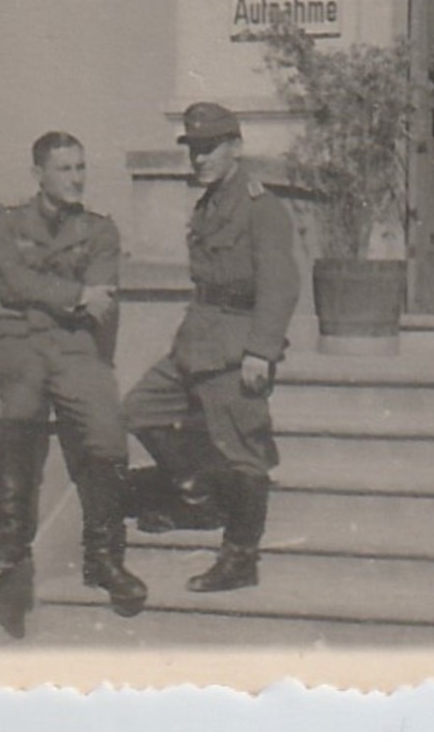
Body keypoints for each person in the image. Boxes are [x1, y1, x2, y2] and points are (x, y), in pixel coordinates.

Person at [122, 102, 301, 592]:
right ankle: (199, 494)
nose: (198, 159)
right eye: (194, 149)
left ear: (236, 148)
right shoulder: (207, 205)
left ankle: (240, 559)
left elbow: (280, 285)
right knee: (138, 409)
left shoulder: (261, 207)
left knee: (243, 452)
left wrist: (261, 352)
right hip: (197, 338)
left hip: (236, 344)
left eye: (209, 148)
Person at [0, 131, 148, 638]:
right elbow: (11, 280)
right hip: (15, 341)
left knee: (106, 426)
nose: (76, 178)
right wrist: (70, 295)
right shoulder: (3, 221)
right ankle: (12, 539)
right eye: (65, 169)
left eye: (81, 168)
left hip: (73, 345)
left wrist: (31, 298)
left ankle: (104, 559)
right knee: (23, 400)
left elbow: (96, 298)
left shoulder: (99, 231)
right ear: (38, 175)